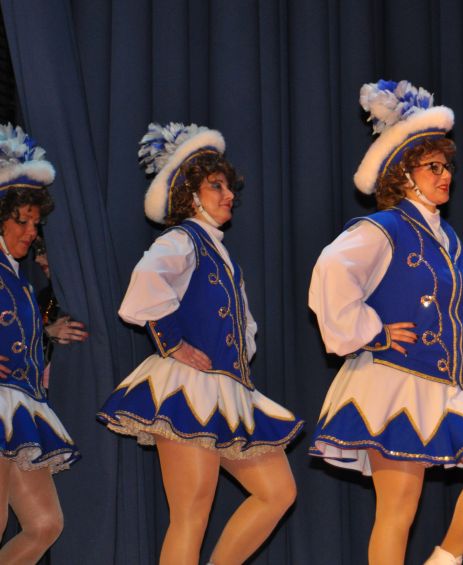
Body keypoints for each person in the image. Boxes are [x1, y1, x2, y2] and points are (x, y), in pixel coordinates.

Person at [309, 80, 463, 565]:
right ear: (403, 173)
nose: (445, 175)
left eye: (447, 167)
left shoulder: (450, 241)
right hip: (393, 381)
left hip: (443, 384)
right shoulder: (384, 228)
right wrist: (372, 332)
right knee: (398, 509)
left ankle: (444, 559)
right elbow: (331, 272)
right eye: (434, 167)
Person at [97, 123, 302, 565]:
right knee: (191, 513)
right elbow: (145, 284)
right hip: (189, 387)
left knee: (278, 492)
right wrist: (172, 343)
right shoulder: (182, 239)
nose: (228, 195)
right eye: (216, 186)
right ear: (189, 194)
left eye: (228, 187)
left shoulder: (219, 252)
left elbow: (243, 326)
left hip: (226, 388)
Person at [0, 123, 79, 562]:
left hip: (20, 403)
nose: (31, 231)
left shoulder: (20, 278)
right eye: (21, 220)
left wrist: (49, 331)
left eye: (35, 222)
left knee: (45, 523)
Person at [31, 236, 89, 370]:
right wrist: (48, 333)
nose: (37, 259)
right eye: (36, 252)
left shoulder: (87, 293)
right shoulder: (44, 296)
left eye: (42, 250)